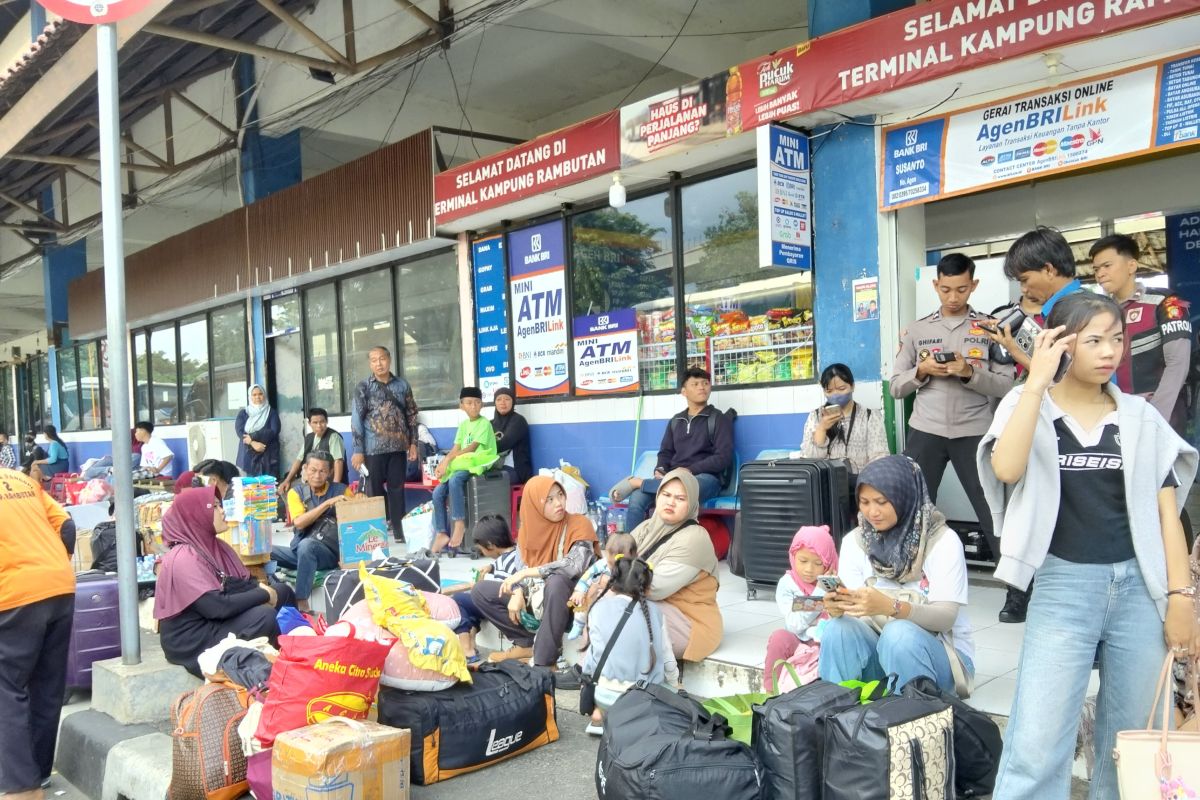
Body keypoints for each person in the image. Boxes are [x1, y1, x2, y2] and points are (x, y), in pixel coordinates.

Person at [977, 292, 1199, 800]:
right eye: (1093, 340)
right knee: (1037, 741)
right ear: (1061, 342)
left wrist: (1181, 598)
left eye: (1116, 339)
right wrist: (1036, 379)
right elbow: (1006, 469)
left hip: (1140, 590)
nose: (1109, 352)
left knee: (1132, 736)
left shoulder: (1139, 418)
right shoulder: (1027, 404)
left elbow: (1168, 513)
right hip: (1063, 584)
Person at [890, 253, 1016, 620]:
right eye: (945, 289)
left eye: (961, 289)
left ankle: (1017, 591)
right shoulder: (916, 330)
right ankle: (898, 576)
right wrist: (921, 371)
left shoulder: (989, 329)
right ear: (936, 286)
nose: (953, 297)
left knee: (992, 509)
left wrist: (968, 373)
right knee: (910, 507)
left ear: (973, 285)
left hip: (974, 430)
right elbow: (897, 386)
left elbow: (1007, 386)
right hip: (926, 430)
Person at [817, 455, 975, 696]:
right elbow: (855, 613)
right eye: (864, 502)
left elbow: (945, 618)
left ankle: (908, 719)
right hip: (881, 654)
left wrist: (891, 606)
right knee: (837, 629)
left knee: (898, 633)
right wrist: (839, 607)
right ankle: (834, 715)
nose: (872, 512)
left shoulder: (941, 541)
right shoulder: (856, 542)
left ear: (904, 497)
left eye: (881, 501)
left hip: (942, 658)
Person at [470, 475, 598, 685]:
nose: (558, 503)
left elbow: (574, 565)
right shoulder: (528, 532)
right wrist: (518, 590)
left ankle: (544, 662)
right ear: (534, 505)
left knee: (557, 581)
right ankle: (524, 643)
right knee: (481, 590)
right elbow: (521, 568)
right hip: (537, 600)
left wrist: (527, 575)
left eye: (560, 496)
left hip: (571, 605)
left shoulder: (579, 524)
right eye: (549, 500)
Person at [155, 488, 292, 677]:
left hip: (214, 620)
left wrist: (262, 589)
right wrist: (263, 594)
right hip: (192, 639)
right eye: (215, 506)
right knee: (264, 616)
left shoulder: (217, 547)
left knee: (283, 591)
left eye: (221, 505)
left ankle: (296, 654)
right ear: (196, 514)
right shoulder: (183, 557)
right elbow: (216, 607)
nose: (222, 511)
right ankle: (277, 671)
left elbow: (238, 584)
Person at [0, 466, 77, 800]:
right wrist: (53, 565)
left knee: (6, 688)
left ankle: (21, 787)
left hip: (12, 593)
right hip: (59, 585)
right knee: (47, 685)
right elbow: (67, 526)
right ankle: (40, 772)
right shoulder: (20, 479)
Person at [1092, 233, 1193, 431]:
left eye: (1107, 266)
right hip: (1114, 418)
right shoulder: (1099, 311)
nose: (1100, 274)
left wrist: (1154, 419)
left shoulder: (1166, 302)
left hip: (1161, 419)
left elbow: (1178, 364)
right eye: (1096, 269)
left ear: (1131, 266)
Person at [611, 367, 734, 526]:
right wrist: (660, 469)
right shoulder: (676, 421)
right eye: (695, 384)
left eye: (705, 383)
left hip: (706, 478)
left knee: (680, 490)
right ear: (684, 391)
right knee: (637, 498)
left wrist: (690, 470)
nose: (702, 387)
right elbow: (665, 452)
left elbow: (723, 458)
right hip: (673, 477)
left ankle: (638, 482)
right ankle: (632, 549)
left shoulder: (718, 419)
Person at [630, 468, 723, 662]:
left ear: (691, 505)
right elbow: (612, 562)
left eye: (680, 498)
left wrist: (613, 581)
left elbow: (653, 588)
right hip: (656, 607)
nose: (671, 502)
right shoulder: (647, 527)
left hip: (688, 622)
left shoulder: (695, 538)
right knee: (601, 594)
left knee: (622, 606)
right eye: (666, 494)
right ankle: (589, 671)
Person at [579, 555, 679, 735]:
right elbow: (667, 657)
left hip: (603, 695)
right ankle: (635, 722)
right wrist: (676, 684)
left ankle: (599, 713)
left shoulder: (597, 608)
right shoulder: (655, 613)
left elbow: (591, 658)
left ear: (614, 581)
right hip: (641, 699)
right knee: (672, 693)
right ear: (646, 588)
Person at [351, 346, 420, 542]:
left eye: (382, 359)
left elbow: (411, 415)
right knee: (374, 491)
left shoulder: (402, 385)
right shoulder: (363, 387)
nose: (378, 363)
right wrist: (358, 450)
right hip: (373, 449)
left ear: (389, 360)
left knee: (397, 489)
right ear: (370, 364)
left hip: (398, 448)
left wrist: (413, 443)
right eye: (374, 360)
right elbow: (357, 420)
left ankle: (399, 532)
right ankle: (377, 533)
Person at [270, 452, 351, 612]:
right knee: (266, 551)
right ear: (305, 469)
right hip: (300, 552)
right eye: (313, 470)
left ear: (330, 473)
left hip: (328, 553)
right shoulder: (296, 492)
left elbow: (355, 521)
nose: (317, 475)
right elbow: (299, 523)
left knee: (308, 546)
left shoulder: (342, 491)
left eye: (322, 471)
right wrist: (327, 504)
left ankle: (301, 600)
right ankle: (272, 590)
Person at [763, 525, 839, 692]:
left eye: (818, 563)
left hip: (825, 643)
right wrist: (819, 593)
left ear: (828, 564)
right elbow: (795, 624)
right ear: (793, 556)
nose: (808, 569)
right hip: (799, 640)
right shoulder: (788, 584)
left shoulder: (835, 581)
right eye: (803, 561)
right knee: (779, 638)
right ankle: (770, 690)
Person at [446, 514, 524, 664]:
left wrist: (480, 588)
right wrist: (491, 567)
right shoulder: (515, 553)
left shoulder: (502, 563)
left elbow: (501, 590)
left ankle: (466, 646)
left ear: (490, 545)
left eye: (482, 549)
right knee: (470, 601)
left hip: (506, 609)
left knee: (458, 600)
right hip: (513, 603)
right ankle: (472, 636)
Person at [430, 387, 499, 556]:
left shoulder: (484, 423)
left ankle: (459, 523)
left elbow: (471, 448)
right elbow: (456, 447)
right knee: (438, 493)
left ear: (482, 405)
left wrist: (448, 460)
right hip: (462, 463)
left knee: (455, 480)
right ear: (461, 406)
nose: (474, 406)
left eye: (477, 403)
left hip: (478, 462)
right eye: (469, 403)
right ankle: (441, 533)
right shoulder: (463, 425)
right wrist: (444, 462)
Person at [799, 363, 890, 474]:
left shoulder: (870, 416)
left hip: (860, 483)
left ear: (852, 386)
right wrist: (822, 429)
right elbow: (809, 459)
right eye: (829, 391)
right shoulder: (816, 416)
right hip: (826, 484)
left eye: (841, 389)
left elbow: (879, 458)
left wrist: (866, 483)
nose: (836, 394)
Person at [568, 532, 637, 640]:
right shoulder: (602, 564)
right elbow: (587, 576)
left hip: (619, 600)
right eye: (610, 563)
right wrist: (579, 591)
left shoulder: (633, 568)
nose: (612, 567)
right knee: (582, 606)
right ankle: (578, 624)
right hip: (598, 595)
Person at [279, 408, 346, 494]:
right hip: (310, 479)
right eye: (315, 422)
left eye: (322, 422)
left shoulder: (333, 437)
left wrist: (336, 486)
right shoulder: (309, 437)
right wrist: (287, 480)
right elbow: (298, 460)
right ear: (309, 423)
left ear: (327, 422)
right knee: (285, 489)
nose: (319, 425)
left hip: (327, 480)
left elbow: (338, 462)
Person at [235, 384, 281, 477]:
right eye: (254, 395)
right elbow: (240, 432)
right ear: (250, 397)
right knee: (251, 487)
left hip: (268, 454)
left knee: (268, 486)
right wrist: (252, 443)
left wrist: (252, 437)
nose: (257, 397)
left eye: (260, 394)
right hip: (249, 455)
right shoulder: (244, 413)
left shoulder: (271, 412)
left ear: (264, 395)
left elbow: (274, 431)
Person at [492, 387, 533, 484]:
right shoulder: (490, 424)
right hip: (493, 467)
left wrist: (480, 447)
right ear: (495, 403)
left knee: (489, 482)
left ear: (513, 402)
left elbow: (504, 444)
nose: (503, 402)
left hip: (514, 470)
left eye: (507, 399)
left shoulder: (518, 421)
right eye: (499, 399)